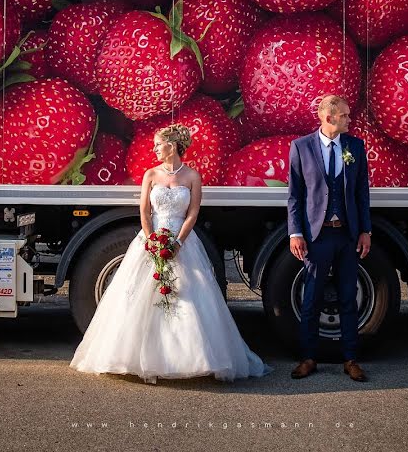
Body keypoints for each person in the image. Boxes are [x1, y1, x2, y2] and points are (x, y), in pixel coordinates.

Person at [70, 124, 271, 384]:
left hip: (182, 241)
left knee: (187, 296)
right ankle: (138, 356)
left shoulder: (192, 176)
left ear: (172, 146)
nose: (154, 148)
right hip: (152, 238)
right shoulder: (151, 174)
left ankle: (186, 357)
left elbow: (193, 213)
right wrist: (152, 240)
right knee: (138, 297)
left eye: (157, 144)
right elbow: (144, 211)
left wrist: (176, 243)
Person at [287, 95, 372, 382]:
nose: (350, 120)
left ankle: (351, 359)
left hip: (347, 235)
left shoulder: (355, 147)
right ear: (330, 117)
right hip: (316, 236)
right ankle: (308, 358)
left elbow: (362, 193)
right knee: (311, 298)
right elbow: (295, 195)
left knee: (349, 297)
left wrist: (365, 230)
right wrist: (295, 232)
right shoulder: (301, 147)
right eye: (346, 115)